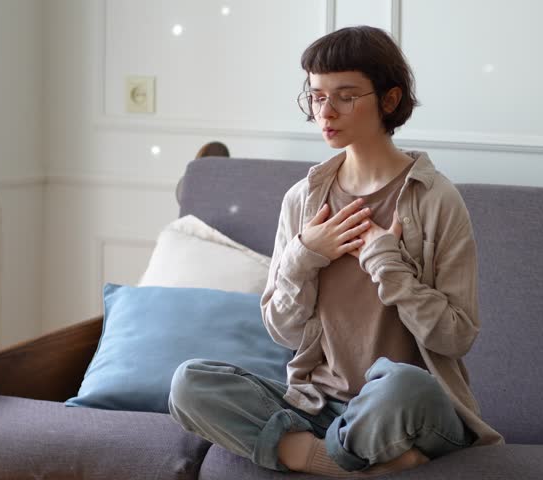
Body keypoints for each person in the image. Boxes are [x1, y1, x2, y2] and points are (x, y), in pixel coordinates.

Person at [168, 25, 504, 477]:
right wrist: (302, 256)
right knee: (190, 383)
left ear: (389, 99)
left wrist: (390, 266)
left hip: (406, 406)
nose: (326, 111)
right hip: (320, 404)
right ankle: (345, 462)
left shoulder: (436, 199)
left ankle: (320, 455)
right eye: (316, 96)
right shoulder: (303, 200)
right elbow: (283, 332)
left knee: (403, 384)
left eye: (345, 96)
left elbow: (456, 337)